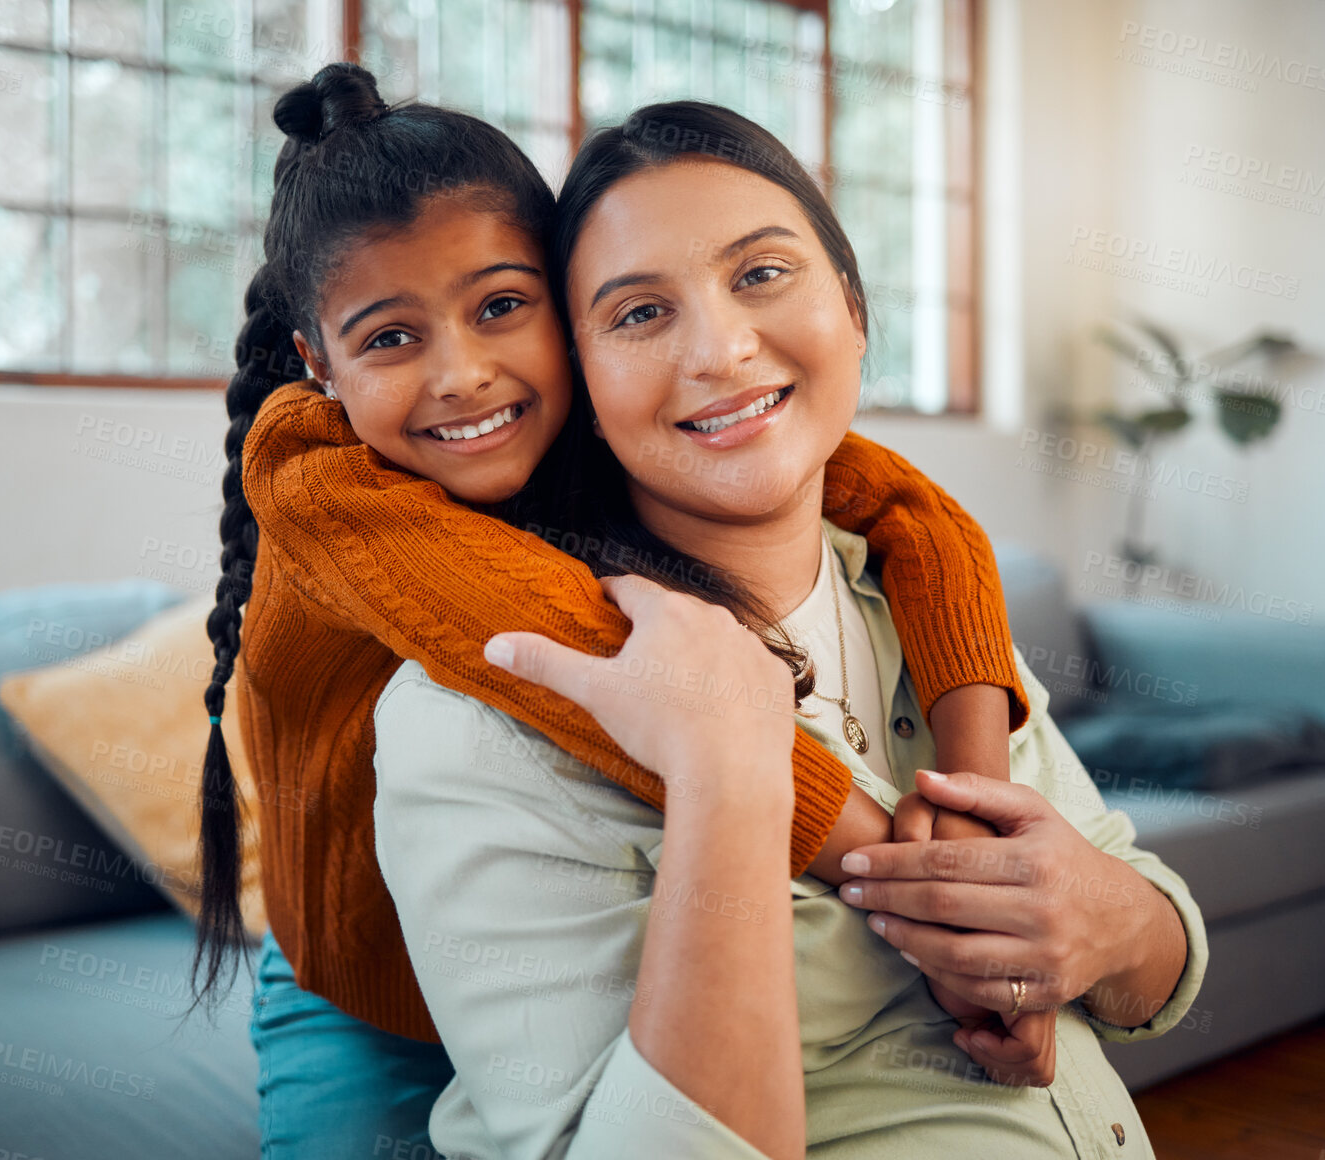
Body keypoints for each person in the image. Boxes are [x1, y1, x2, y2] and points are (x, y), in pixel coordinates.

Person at [196, 64, 1054, 1156]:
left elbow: (911, 509)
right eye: (391, 338)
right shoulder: (321, 480)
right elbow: (595, 665)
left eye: (501, 307)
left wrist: (974, 794)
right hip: (362, 982)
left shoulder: (609, 426)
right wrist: (922, 886)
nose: (462, 373)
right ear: (318, 363)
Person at [368, 100, 1208, 1157]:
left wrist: (1109, 920)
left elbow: (1154, 945)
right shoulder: (477, 716)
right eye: (637, 313)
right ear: (582, 385)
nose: (720, 348)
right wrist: (728, 776)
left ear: (853, 308)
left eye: (760, 272)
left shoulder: (927, 603)